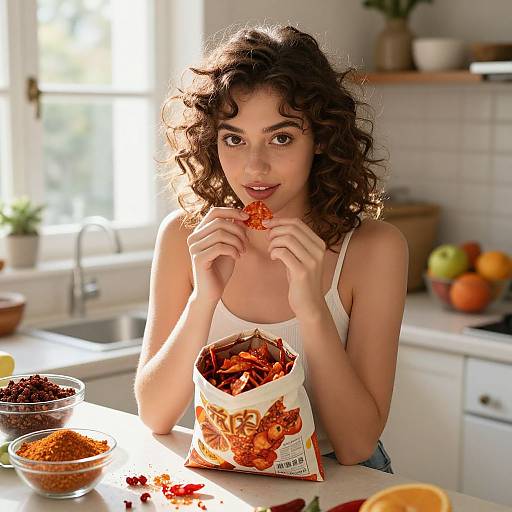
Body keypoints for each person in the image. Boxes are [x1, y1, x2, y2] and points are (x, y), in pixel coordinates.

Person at [134, 25, 408, 473]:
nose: (254, 167)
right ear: (211, 140)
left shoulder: (375, 250)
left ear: (319, 139)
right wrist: (204, 299)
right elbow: (155, 414)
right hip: (225, 476)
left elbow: (357, 445)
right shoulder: (184, 238)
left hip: (341, 483)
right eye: (234, 138)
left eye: (281, 138)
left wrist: (311, 307)